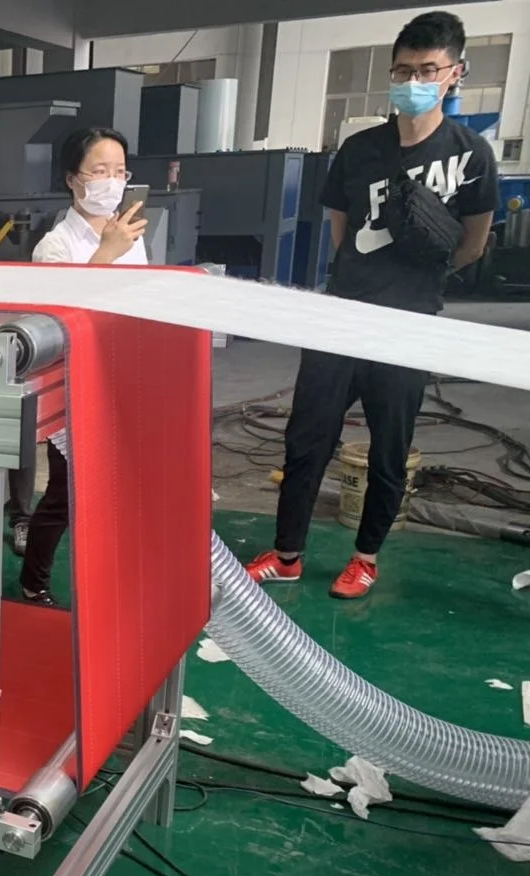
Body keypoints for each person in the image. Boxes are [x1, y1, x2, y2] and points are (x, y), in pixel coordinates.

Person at [246, 9, 497, 599]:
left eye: (428, 70)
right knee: (307, 438)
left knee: (389, 447)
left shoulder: (472, 155)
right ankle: (288, 554)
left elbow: (474, 241)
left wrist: (419, 279)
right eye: (404, 70)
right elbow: (340, 230)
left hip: (408, 327)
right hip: (342, 317)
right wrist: (366, 280)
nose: (414, 81)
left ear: (455, 73)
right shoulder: (360, 150)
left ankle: (365, 558)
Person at [14, 127, 148, 607]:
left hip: (124, 378)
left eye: (120, 172)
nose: (112, 182)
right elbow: (63, 320)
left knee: (121, 491)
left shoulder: (130, 235)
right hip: (75, 388)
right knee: (66, 494)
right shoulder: (56, 246)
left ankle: (110, 584)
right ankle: (34, 581)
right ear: (73, 179)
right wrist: (105, 255)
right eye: (100, 171)